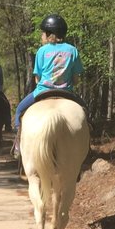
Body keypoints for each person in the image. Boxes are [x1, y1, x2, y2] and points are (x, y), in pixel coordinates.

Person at [12, 14, 84, 153]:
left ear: (50, 33)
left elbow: (37, 79)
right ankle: (86, 145)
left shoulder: (42, 51)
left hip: (42, 92)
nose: (42, 36)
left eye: (43, 33)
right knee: (85, 114)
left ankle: (18, 145)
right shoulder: (73, 50)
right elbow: (76, 79)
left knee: (19, 110)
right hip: (67, 93)